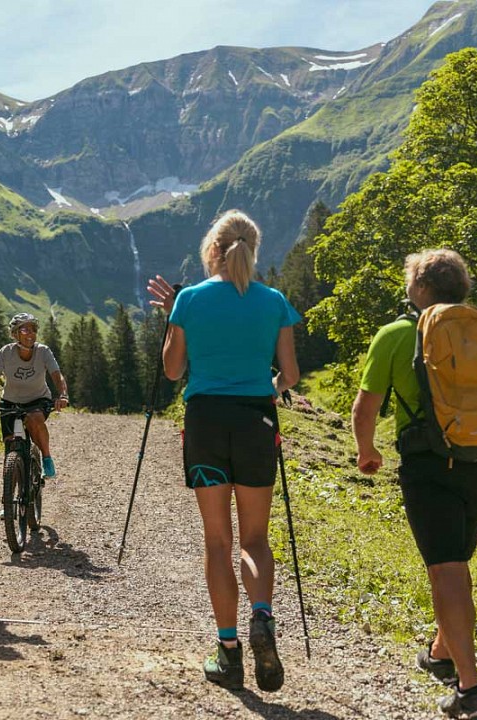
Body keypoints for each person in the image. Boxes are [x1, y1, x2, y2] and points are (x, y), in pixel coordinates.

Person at [147, 209, 300, 692]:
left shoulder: (189, 300)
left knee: (218, 541)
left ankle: (228, 650)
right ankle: (262, 615)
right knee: (255, 540)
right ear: (253, 250)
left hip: (206, 421)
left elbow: (173, 371)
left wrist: (173, 318)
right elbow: (290, 375)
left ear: (211, 250)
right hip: (256, 419)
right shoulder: (273, 300)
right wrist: (268, 388)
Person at [351, 249, 477, 720]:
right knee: (455, 558)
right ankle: (440, 651)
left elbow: (364, 408)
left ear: (419, 289)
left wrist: (366, 450)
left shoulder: (398, 334)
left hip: (431, 461)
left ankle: (470, 689)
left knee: (446, 569)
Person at [0, 312, 68, 478]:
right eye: (25, 330)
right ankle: (10, 495)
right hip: (10, 402)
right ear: (15, 334)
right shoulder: (6, 352)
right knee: (10, 444)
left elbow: (56, 375)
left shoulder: (43, 351)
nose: (30, 334)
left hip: (37, 400)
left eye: (33, 329)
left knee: (34, 419)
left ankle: (46, 458)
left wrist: (62, 395)